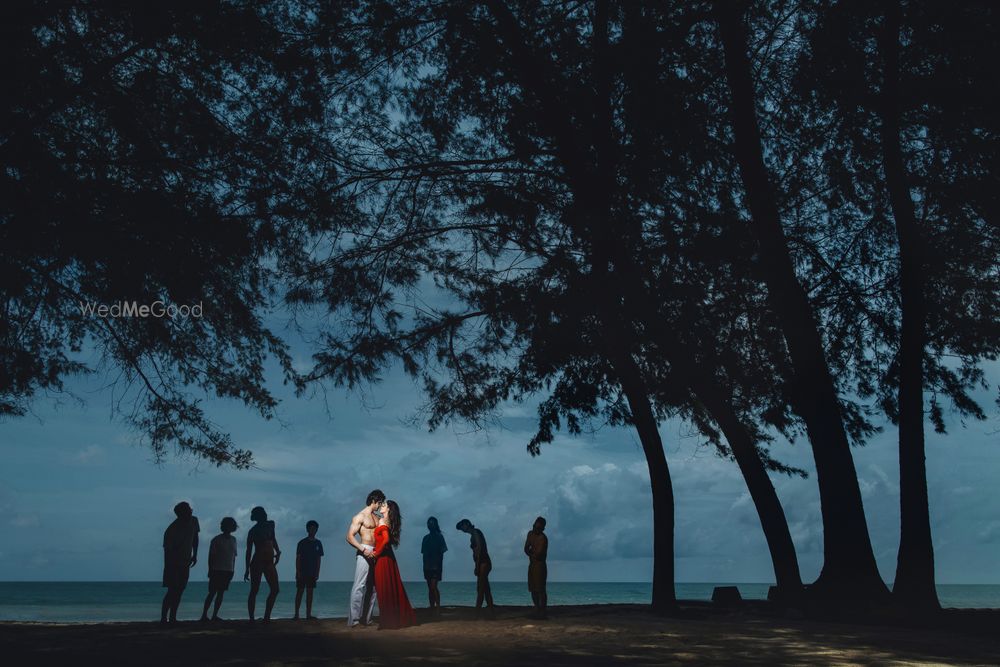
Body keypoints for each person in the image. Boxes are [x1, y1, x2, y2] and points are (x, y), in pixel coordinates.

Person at [369, 500, 416, 629]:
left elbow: (386, 539)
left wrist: (376, 552)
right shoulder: (386, 521)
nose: (381, 507)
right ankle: (392, 619)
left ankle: (387, 621)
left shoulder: (383, 521)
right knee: (389, 586)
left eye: (383, 505)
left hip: (383, 558)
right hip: (388, 557)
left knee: (383, 587)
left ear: (389, 509)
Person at [345, 489, 385, 627]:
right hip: (364, 550)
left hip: (376, 552)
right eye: (379, 503)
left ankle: (366, 618)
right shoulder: (359, 516)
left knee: (373, 587)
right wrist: (362, 550)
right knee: (359, 586)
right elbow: (349, 537)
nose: (380, 505)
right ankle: (354, 620)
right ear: (374, 501)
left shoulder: (377, 517)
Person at [161, 501, 199, 624]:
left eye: (190, 509)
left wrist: (195, 554)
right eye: (187, 510)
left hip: (185, 562)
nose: (190, 511)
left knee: (180, 590)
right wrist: (169, 567)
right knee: (172, 590)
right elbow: (168, 551)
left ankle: (173, 617)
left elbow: (195, 538)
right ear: (180, 514)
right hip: (173, 564)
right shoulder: (171, 530)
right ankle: (163, 618)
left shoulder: (194, 521)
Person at [244, 506, 281, 623]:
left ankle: (267, 617)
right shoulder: (253, 531)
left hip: (269, 561)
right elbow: (248, 551)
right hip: (257, 562)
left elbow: (273, 539)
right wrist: (246, 569)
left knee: (275, 589)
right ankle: (251, 618)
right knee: (254, 590)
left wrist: (278, 551)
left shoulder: (271, 524)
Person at [201, 517, 238, 621]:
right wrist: (210, 569)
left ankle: (214, 615)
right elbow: (211, 556)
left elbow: (233, 557)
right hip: (216, 569)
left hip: (228, 570)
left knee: (221, 593)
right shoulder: (216, 540)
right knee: (212, 593)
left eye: (231, 525)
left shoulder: (234, 540)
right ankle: (204, 614)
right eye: (227, 525)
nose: (229, 527)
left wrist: (233, 570)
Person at [456, 518, 494, 615]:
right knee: (485, 588)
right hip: (483, 562)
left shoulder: (475, 532)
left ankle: (477, 612)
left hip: (483, 563)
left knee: (481, 588)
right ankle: (491, 610)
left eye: (462, 527)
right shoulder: (474, 534)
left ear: (467, 524)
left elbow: (479, 549)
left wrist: (477, 566)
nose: (462, 530)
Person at [295, 520, 324, 620]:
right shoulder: (302, 543)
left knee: (310, 593)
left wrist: (317, 572)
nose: (313, 530)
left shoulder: (318, 543)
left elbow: (319, 559)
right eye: (311, 528)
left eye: (315, 528)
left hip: (312, 572)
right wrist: (298, 571)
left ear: (316, 530)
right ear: (307, 529)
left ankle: (308, 615)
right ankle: (296, 614)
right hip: (302, 571)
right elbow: (298, 558)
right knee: (300, 592)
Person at [421, 516, 447, 614]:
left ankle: (438, 608)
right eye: (428, 523)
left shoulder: (440, 537)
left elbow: (442, 552)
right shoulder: (425, 538)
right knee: (430, 588)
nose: (430, 525)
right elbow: (423, 553)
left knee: (433, 586)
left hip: (436, 566)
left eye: (432, 523)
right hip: (427, 566)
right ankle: (432, 607)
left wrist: (439, 565)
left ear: (435, 525)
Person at [523, 516, 548, 619]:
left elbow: (538, 554)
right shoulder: (530, 534)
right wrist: (532, 552)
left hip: (540, 566)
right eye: (534, 526)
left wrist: (531, 551)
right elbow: (526, 549)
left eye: (537, 528)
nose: (534, 529)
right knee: (533, 589)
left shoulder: (543, 538)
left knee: (540, 589)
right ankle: (537, 608)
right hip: (532, 565)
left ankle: (543, 611)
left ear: (542, 529)